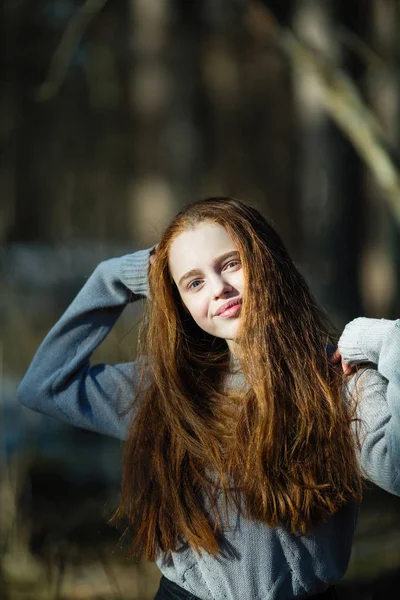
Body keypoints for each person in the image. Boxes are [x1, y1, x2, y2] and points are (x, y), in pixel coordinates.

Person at [18, 197, 400, 600]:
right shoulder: (165, 390)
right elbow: (46, 384)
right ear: (178, 301)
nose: (219, 289)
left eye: (231, 263)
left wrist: (389, 340)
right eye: (194, 282)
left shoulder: (338, 383)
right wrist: (113, 278)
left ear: (266, 260)